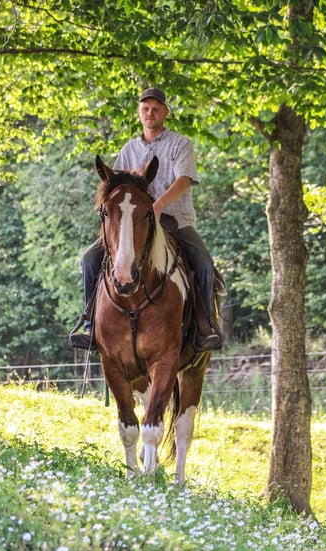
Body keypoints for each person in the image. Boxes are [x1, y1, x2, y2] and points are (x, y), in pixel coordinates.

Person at [70, 87, 222, 352]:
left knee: (204, 261)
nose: (150, 113)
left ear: (164, 112)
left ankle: (205, 324)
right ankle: (90, 324)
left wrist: (158, 204)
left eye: (155, 109)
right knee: (89, 259)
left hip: (176, 220)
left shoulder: (180, 144)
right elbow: (116, 189)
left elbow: (184, 179)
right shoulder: (128, 150)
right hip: (132, 223)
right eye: (145, 109)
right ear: (140, 113)